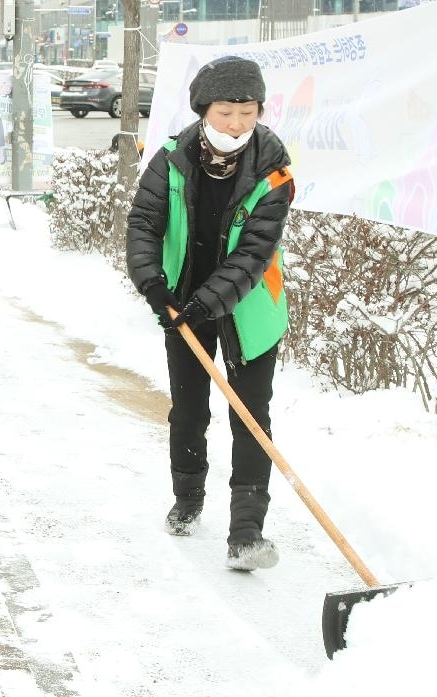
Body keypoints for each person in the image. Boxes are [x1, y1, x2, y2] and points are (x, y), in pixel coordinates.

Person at [126, 57, 294, 571]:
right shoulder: (172, 158)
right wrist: (153, 284)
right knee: (190, 409)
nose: (238, 124)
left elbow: (254, 254)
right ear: (204, 111)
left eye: (248, 112)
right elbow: (144, 224)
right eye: (226, 112)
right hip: (181, 302)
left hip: (249, 308)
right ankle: (188, 497)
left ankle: (245, 532)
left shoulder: (274, 169)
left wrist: (205, 303)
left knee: (250, 416)